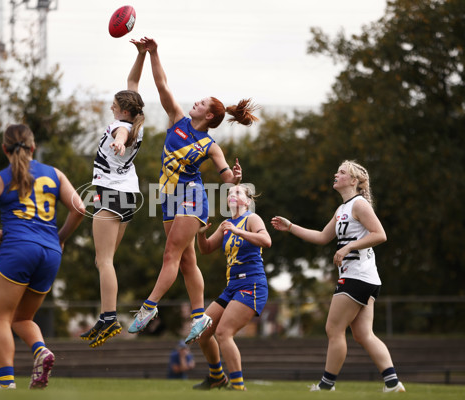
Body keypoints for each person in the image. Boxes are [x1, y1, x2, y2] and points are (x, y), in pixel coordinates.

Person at [127, 37, 258, 344]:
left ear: (209, 116)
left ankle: (149, 307)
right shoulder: (176, 120)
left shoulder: (211, 146)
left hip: (192, 199)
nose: (194, 103)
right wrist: (154, 53)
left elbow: (226, 177)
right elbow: (162, 84)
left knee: (170, 254)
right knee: (187, 261)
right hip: (169, 200)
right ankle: (200, 318)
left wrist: (236, 178)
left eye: (200, 103)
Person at [0, 124, 85, 390]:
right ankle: (40, 351)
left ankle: (6, 382)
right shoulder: (54, 174)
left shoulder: (1, 178)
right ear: (33, 147)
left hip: (17, 249)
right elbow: (79, 208)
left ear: (4, 149)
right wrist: (60, 237)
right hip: (50, 253)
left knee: (1, 318)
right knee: (21, 319)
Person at [271, 160, 406, 393]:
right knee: (364, 334)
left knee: (333, 330)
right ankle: (393, 383)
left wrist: (347, 248)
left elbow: (380, 234)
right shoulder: (342, 209)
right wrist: (291, 226)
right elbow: (322, 237)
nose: (336, 174)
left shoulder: (360, 204)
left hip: (356, 277)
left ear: (354, 181)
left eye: (342, 172)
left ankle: (326, 385)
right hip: (366, 278)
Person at [80, 41, 147, 348]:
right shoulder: (138, 123)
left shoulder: (121, 126)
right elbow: (133, 85)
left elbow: (120, 132)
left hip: (110, 193)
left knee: (104, 261)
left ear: (122, 110)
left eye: (114, 104)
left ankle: (109, 317)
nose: (111, 107)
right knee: (104, 260)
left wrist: (119, 142)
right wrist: (141, 54)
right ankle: (107, 314)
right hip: (129, 195)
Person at [194, 184, 271, 391]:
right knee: (202, 334)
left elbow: (266, 240)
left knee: (224, 333)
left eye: (237, 193)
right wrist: (201, 234)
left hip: (252, 284)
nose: (231, 196)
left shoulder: (252, 219)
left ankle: (237, 385)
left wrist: (238, 231)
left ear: (248, 201)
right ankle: (217, 377)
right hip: (232, 287)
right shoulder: (226, 224)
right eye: (229, 193)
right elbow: (206, 249)